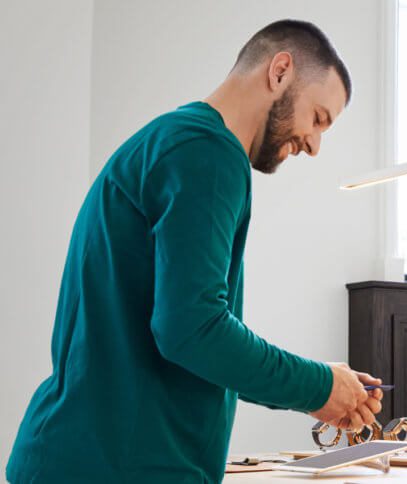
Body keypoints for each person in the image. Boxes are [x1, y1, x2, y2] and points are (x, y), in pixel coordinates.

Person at [7, 20, 383, 483]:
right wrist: (319, 386)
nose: (315, 144)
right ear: (280, 71)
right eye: (318, 118)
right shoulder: (208, 151)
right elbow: (193, 329)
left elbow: (190, 326)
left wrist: (321, 387)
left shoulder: (176, 141)